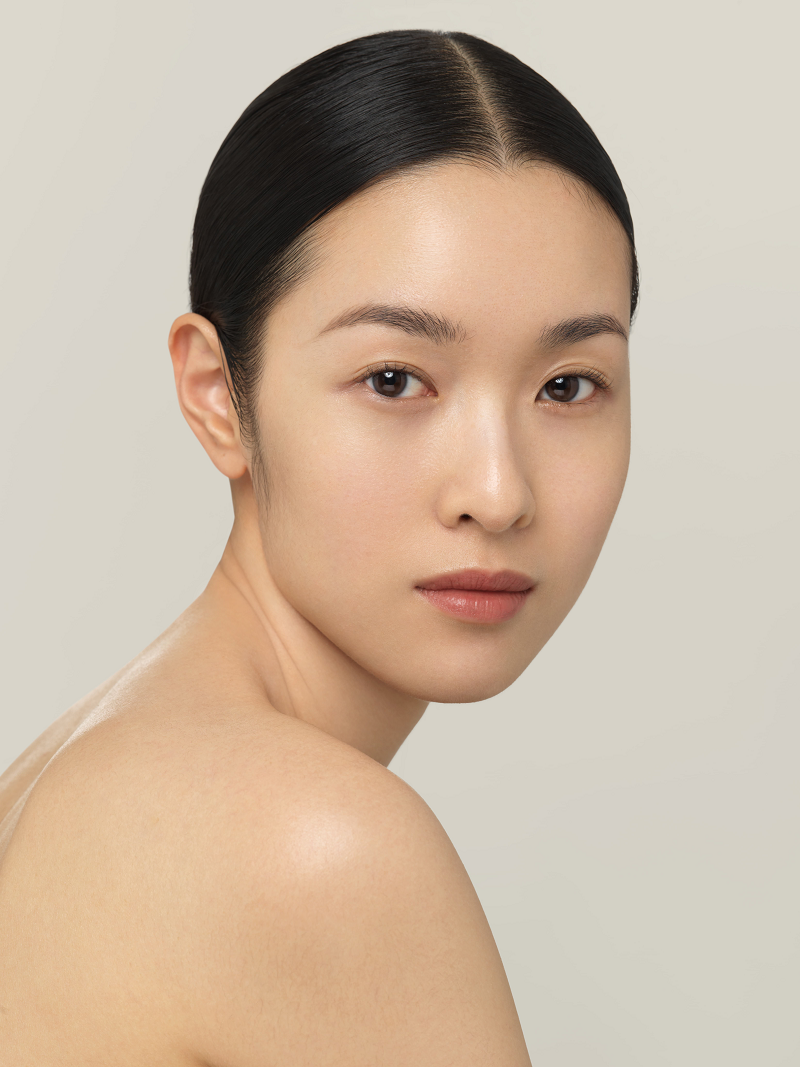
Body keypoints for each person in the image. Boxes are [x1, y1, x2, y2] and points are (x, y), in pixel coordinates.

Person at [0, 29, 636, 1064]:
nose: (497, 492)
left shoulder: (91, 772)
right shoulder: (309, 843)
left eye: (567, 386)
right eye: (394, 380)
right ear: (219, 394)